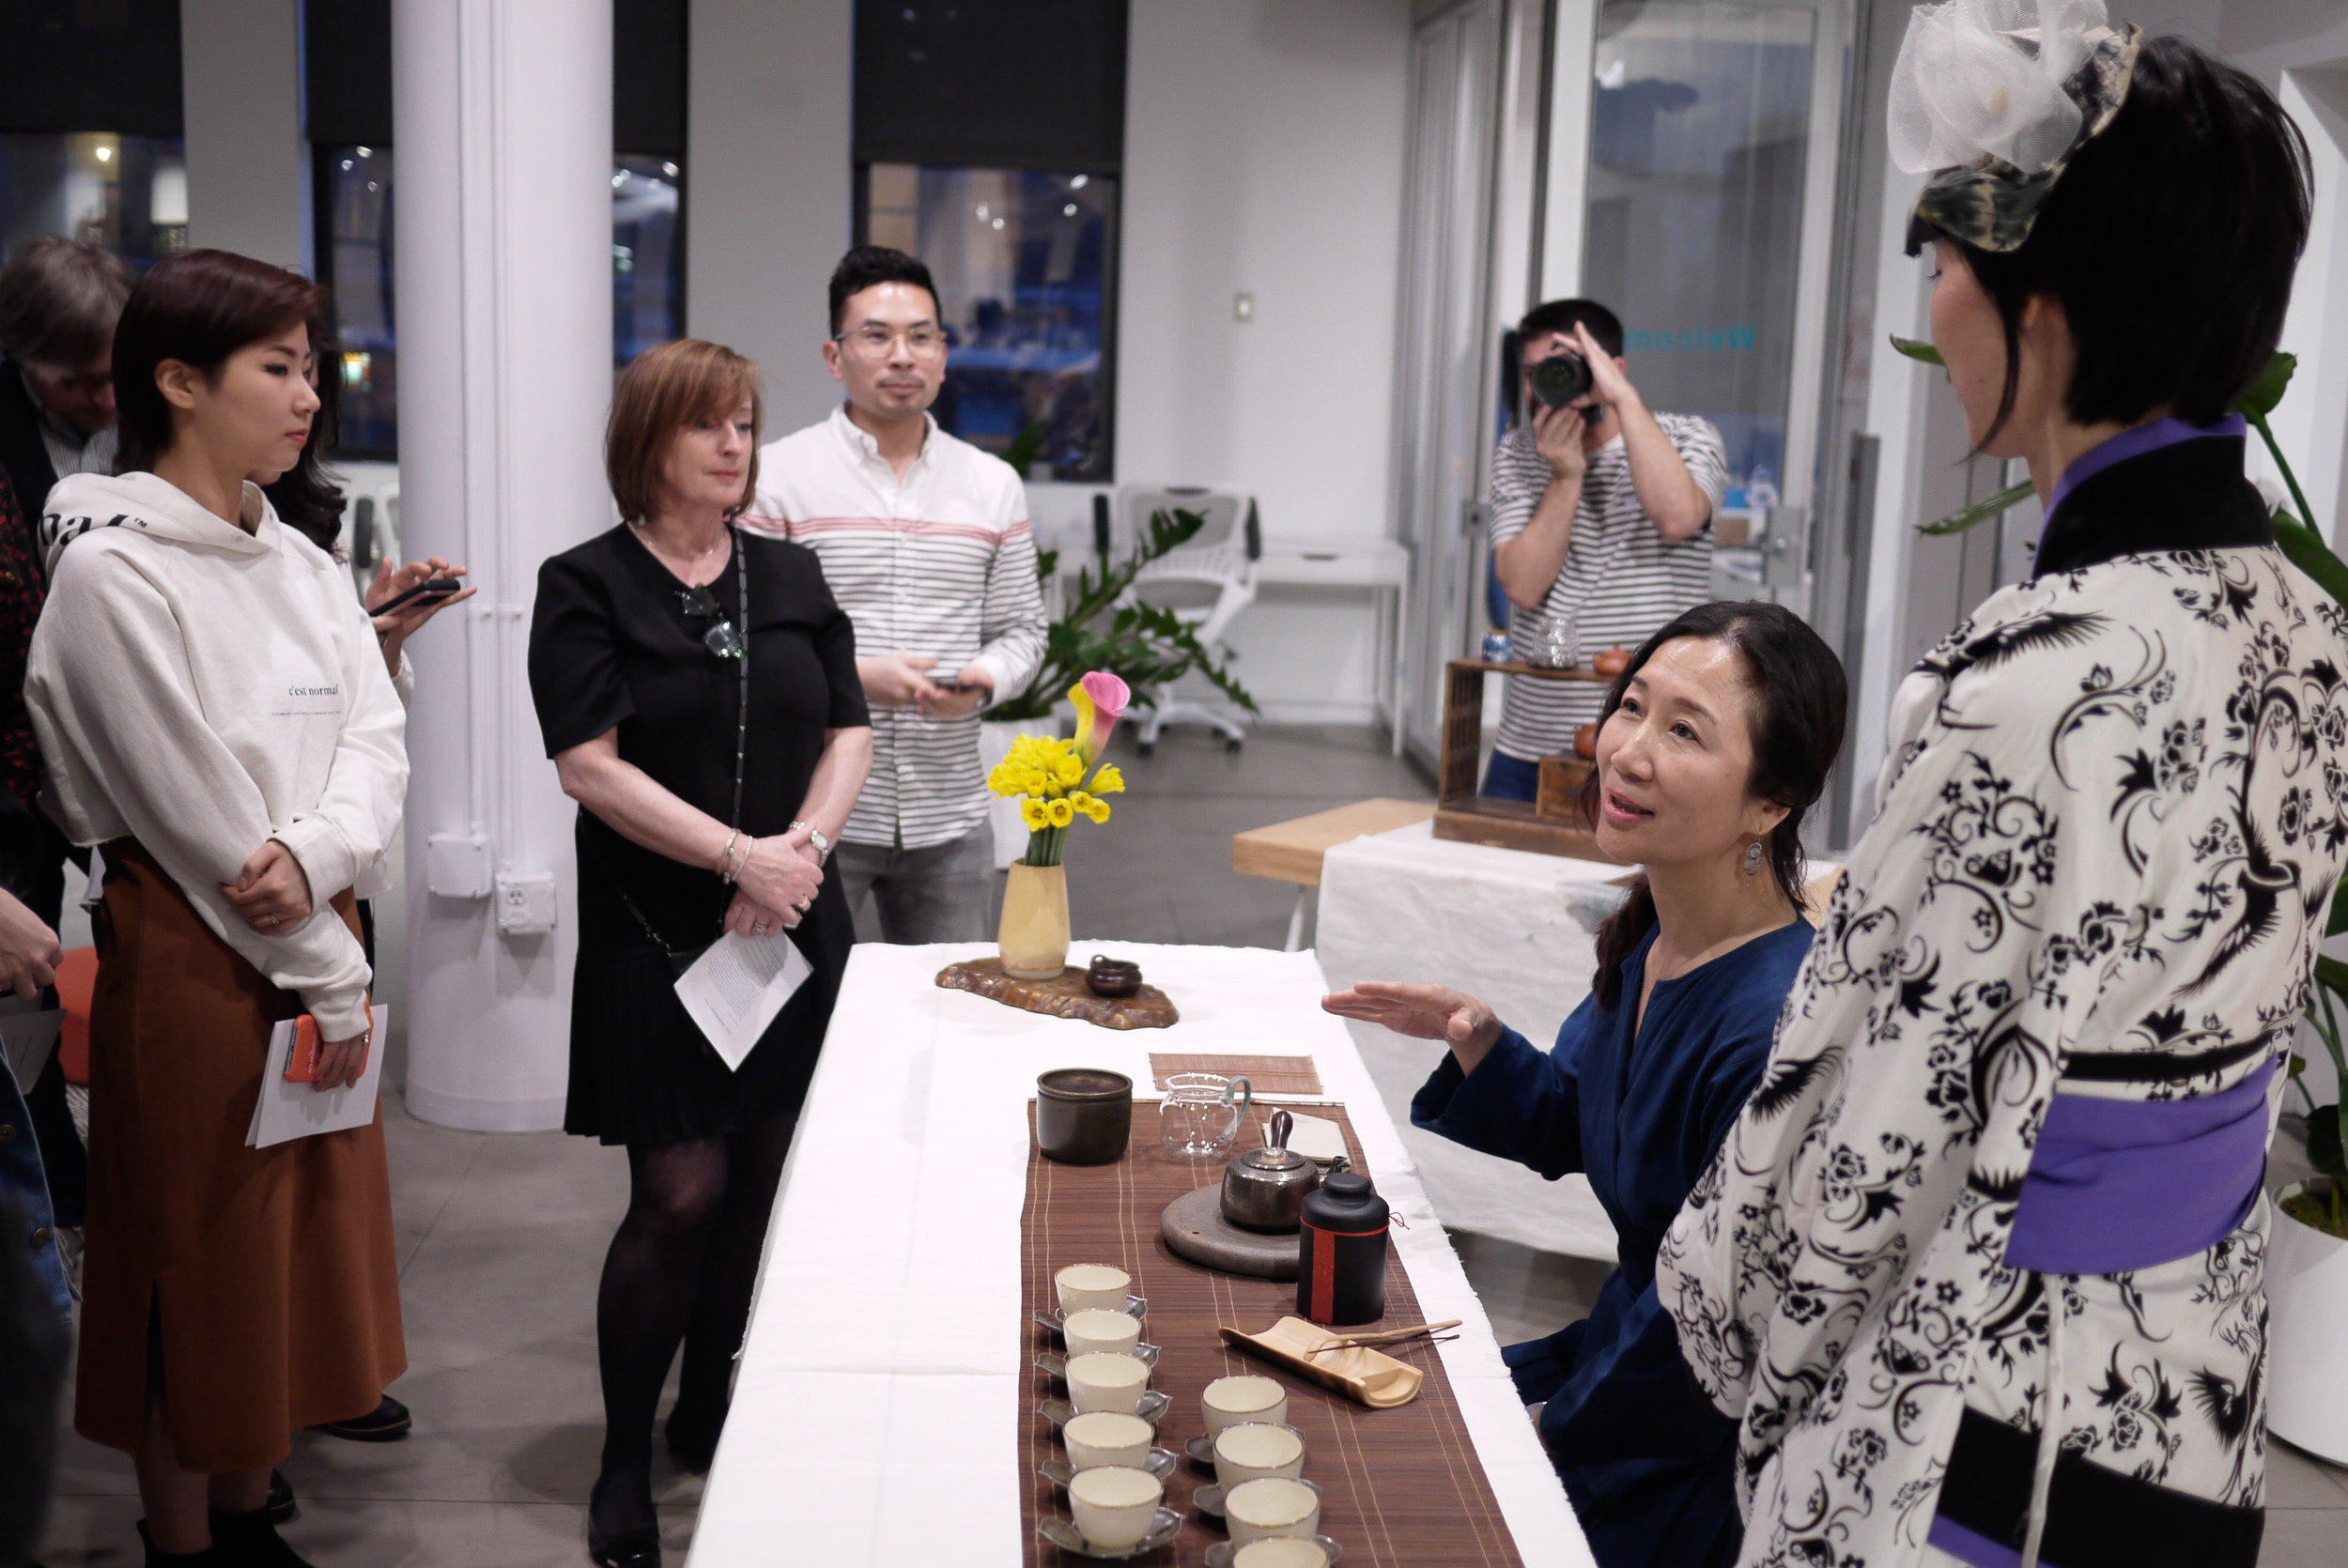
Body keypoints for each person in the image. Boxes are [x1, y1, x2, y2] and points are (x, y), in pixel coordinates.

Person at [1657, 15, 2346, 1568]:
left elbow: (1869, 1123)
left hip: (1986, 1403)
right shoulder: (2305, 621)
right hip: (2186, 1365)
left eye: (1949, 266)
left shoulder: (2031, 678)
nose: (1940, 301)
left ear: (2047, 310)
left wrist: (1716, 1308)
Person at [25, 249, 409, 1566]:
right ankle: (182, 1539)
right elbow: (193, 819)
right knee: (188, 1259)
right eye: (278, 368)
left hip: (315, 939)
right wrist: (324, 956)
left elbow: (380, 741)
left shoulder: (301, 561)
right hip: (198, 958)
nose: (310, 396)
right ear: (179, 383)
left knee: (284, 1255)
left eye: (313, 367)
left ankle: (250, 1522)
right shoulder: (113, 571)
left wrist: (316, 853)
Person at [1325, 601, 1846, 1568]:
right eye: (1633, 707)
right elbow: (1594, 1125)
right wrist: (1483, 1041)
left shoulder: (1775, 1022)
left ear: (1771, 801)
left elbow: (1709, 1327)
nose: (1627, 751)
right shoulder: (1657, 935)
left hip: (1686, 1435)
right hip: (1628, 1357)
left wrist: (1553, 1419)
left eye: (1684, 730)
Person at [529, 339, 873, 1568]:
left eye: (746, 423)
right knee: (679, 1197)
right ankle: (625, 1459)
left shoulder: (789, 572)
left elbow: (848, 727)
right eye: (708, 425)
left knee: (763, 1190)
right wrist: (740, 858)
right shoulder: (586, 583)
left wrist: (800, 854)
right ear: (648, 442)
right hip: (656, 933)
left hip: (789, 923)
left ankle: (712, 1402)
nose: (735, 444)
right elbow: (589, 763)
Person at [742, 246, 1045, 941]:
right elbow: (746, 641)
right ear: (833, 355)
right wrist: (853, 680)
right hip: (811, 818)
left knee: (950, 1015)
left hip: (950, 815)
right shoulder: (778, 478)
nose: (902, 355)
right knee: (808, 1027)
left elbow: (1024, 629)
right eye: (876, 335)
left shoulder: (992, 484)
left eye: (921, 336)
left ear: (943, 352)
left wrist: (982, 680)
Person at [0, 236, 129, 1274]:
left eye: (110, 373)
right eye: (72, 378)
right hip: (14, 771)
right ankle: (53, 1207)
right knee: (23, 988)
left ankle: (90, 1198)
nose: (98, 396)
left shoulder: (150, 425)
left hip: (113, 760)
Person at [1482, 299, 1727, 801]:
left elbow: (1679, 517)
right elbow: (1523, 586)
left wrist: (1620, 398)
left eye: (1567, 368)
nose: (1544, 387)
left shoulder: (1686, 436)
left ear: (1612, 369)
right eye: (1533, 373)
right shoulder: (1518, 452)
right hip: (1530, 742)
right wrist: (1566, 475)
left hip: (1647, 750)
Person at [0, 236, 133, 516]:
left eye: (121, 372)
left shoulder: (163, 410)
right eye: (85, 380)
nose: (110, 401)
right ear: (28, 359)